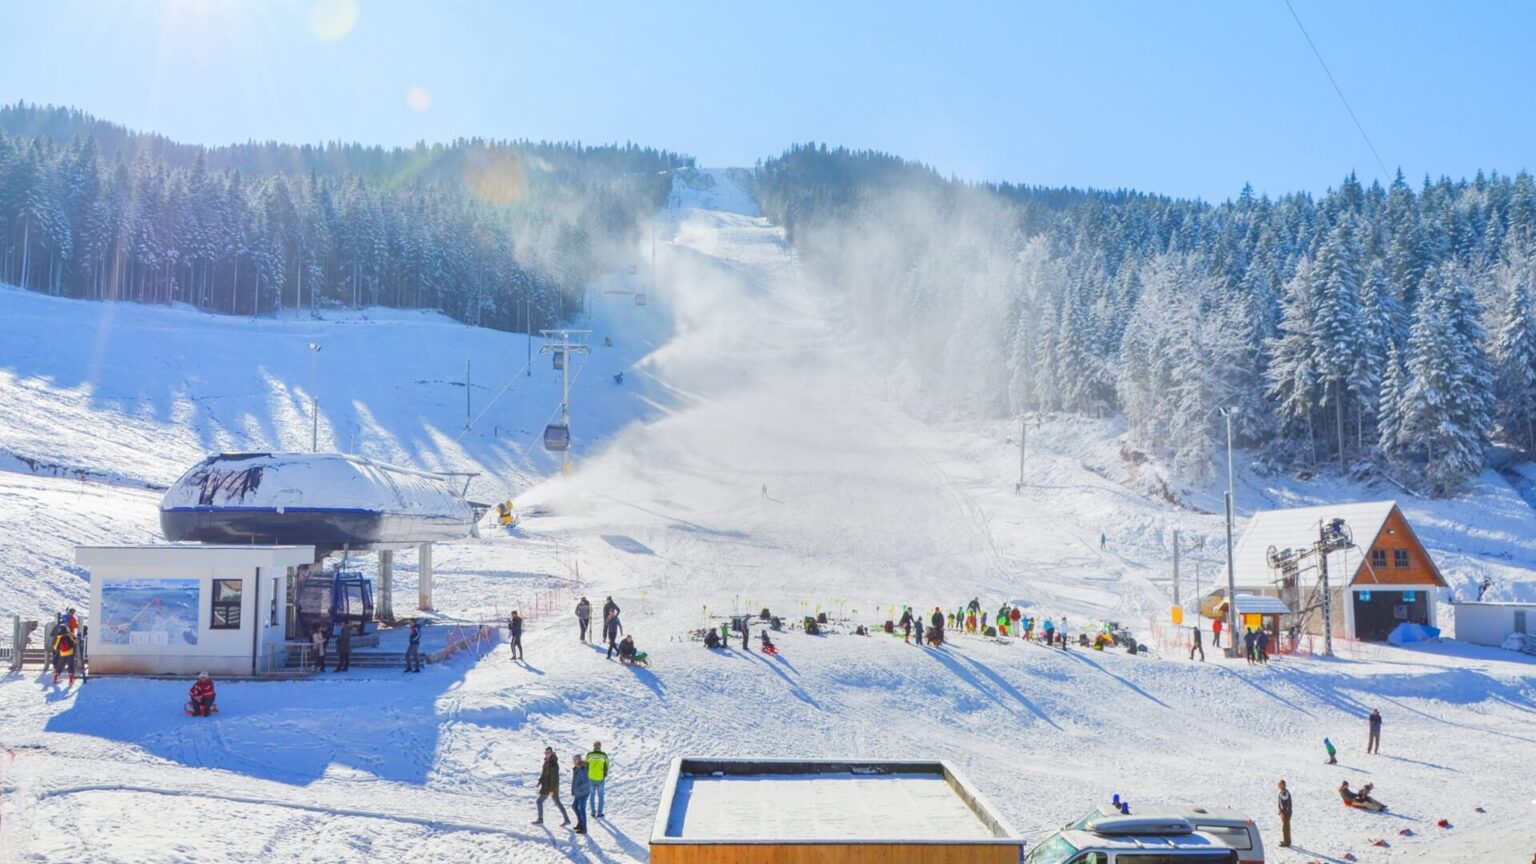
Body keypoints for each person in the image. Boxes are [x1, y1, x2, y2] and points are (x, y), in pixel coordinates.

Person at [533, 747, 570, 827]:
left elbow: (554, 778)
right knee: (557, 802)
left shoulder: (554, 764)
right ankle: (566, 820)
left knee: (539, 801)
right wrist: (539, 781)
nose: (546, 754)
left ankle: (540, 819)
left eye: (548, 753)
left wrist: (552, 790)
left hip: (550, 787)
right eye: (545, 752)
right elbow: (544, 773)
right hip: (546, 786)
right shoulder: (546, 762)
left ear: (552, 753)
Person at [586, 742, 609, 818]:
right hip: (600, 778)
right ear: (600, 746)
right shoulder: (603, 755)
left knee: (592, 795)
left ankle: (593, 812)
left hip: (591, 778)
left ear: (593, 746)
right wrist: (604, 774)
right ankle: (599, 813)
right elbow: (607, 765)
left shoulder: (589, 755)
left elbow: (586, 765)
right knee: (601, 796)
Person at [570, 755, 591, 834]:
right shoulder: (576, 768)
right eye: (573, 760)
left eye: (575, 760)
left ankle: (584, 828)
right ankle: (580, 824)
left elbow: (587, 782)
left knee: (582, 809)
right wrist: (573, 790)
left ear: (579, 760)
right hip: (578, 793)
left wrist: (579, 789)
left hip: (584, 793)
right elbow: (574, 781)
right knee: (574, 806)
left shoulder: (583, 768)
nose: (574, 761)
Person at [1277, 779, 1293, 847]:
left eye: (1280, 784)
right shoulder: (1283, 792)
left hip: (1286, 813)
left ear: (1283, 785)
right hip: (1285, 813)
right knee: (1285, 827)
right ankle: (1286, 841)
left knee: (1285, 828)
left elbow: (1285, 804)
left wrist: (1283, 812)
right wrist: (1280, 811)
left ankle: (1287, 843)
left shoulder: (1284, 793)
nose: (1278, 786)